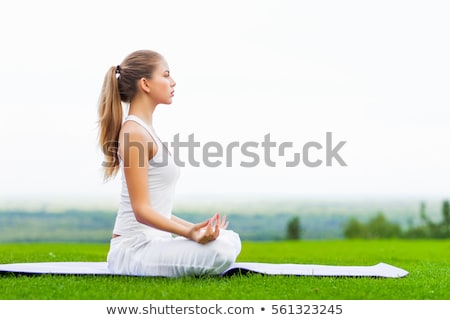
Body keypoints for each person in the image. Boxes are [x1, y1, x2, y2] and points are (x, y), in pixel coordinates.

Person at [97, 49, 241, 277]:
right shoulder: (134, 133)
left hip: (154, 244)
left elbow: (158, 209)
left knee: (228, 239)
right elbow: (142, 211)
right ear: (145, 84)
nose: (172, 82)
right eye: (165, 75)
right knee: (221, 250)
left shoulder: (145, 130)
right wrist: (189, 234)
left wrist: (195, 229)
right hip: (133, 251)